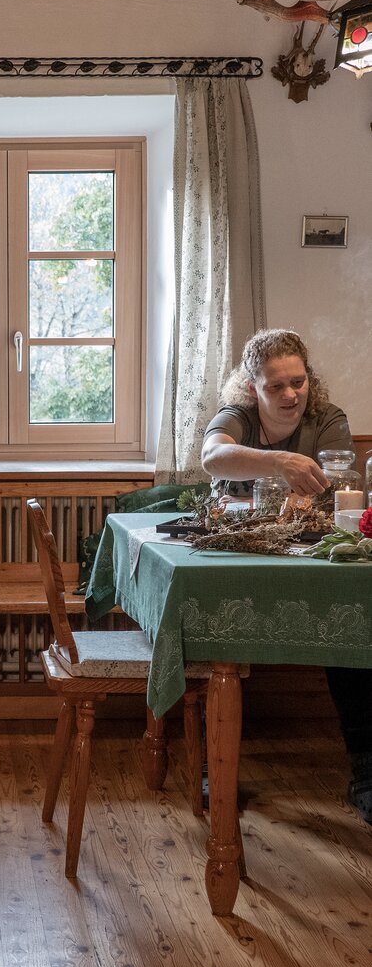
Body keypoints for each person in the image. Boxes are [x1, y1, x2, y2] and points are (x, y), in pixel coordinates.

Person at [201, 328, 372, 824]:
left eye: (297, 382)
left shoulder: (327, 419)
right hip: (241, 553)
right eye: (275, 386)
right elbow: (213, 456)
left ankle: (366, 767)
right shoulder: (239, 416)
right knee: (220, 627)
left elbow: (339, 487)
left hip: (312, 552)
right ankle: (219, 764)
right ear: (252, 386)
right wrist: (278, 461)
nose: (289, 395)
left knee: (352, 619)